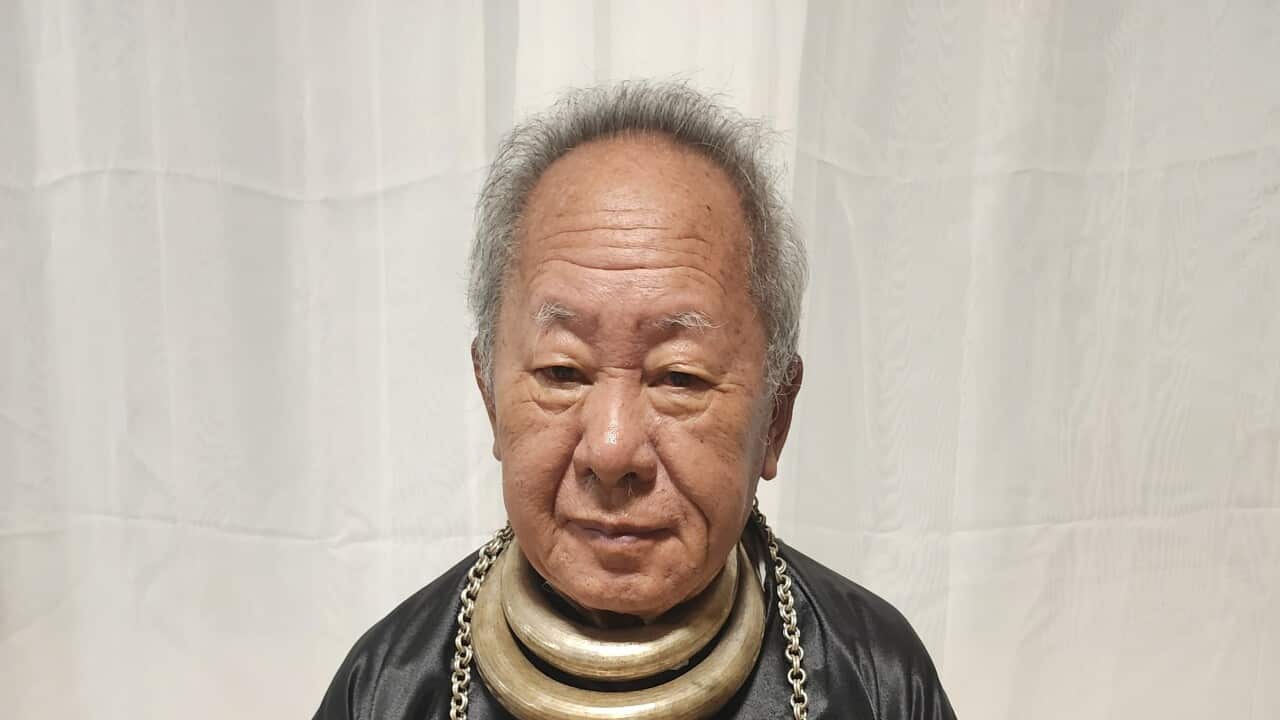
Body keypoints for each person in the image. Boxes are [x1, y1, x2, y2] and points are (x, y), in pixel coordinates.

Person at [313, 80, 956, 720]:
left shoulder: (875, 683)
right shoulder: (388, 690)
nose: (612, 449)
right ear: (490, 399)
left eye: (679, 378)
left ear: (776, 417)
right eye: (562, 372)